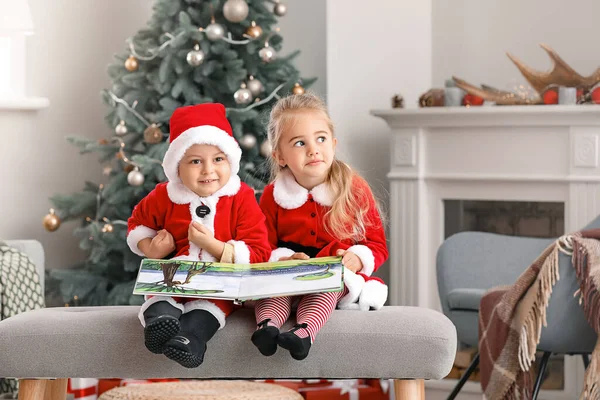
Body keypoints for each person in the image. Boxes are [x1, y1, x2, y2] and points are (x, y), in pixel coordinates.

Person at [127, 103, 270, 368]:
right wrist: (151, 249)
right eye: (195, 161)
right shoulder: (164, 196)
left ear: (231, 161)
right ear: (177, 167)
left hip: (218, 289)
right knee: (160, 302)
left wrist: (213, 246)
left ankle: (190, 341)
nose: (208, 170)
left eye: (218, 159)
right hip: (171, 279)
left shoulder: (241, 198)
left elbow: (259, 251)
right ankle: (159, 325)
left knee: (206, 312)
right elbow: (138, 223)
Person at [251, 93, 389, 360]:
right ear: (280, 156)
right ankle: (267, 327)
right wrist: (285, 258)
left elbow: (376, 245)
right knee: (274, 289)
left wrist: (357, 259)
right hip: (290, 273)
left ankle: (304, 333)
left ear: (333, 144)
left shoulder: (354, 189)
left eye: (321, 139)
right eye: (300, 143)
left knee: (327, 286)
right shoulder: (273, 195)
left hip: (336, 274)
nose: (313, 149)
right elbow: (262, 246)